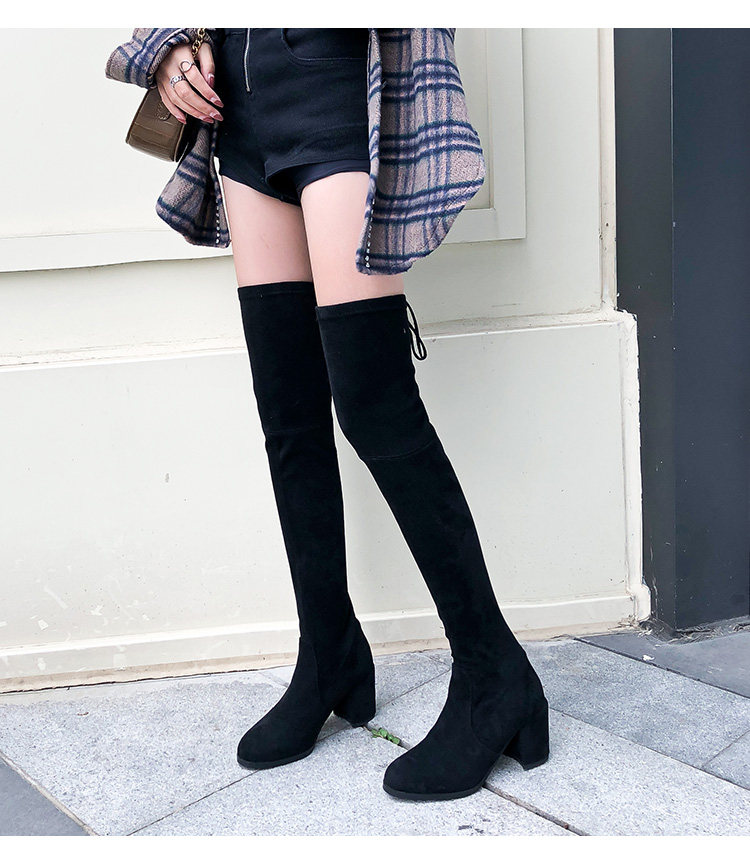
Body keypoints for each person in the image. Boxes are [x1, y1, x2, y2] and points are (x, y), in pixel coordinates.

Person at [105, 27, 549, 802]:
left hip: (335, 90)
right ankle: (330, 653)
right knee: (288, 412)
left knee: (375, 406)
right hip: (241, 109)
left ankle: (494, 674)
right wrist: (172, 47)